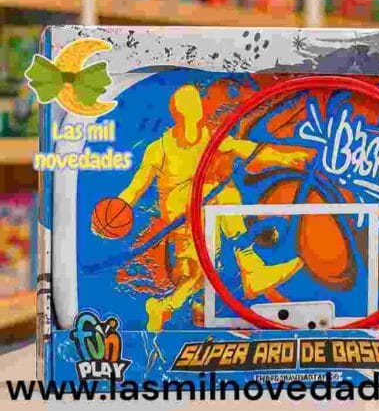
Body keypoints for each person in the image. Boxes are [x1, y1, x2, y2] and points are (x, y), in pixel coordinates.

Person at [95, 84, 309, 331]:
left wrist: (283, 157)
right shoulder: (159, 149)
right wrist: (116, 210)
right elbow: (136, 187)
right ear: (177, 113)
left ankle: (165, 306)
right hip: (179, 211)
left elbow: (245, 150)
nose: (193, 111)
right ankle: (250, 267)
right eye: (187, 107)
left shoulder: (209, 137)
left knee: (199, 275)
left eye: (195, 105)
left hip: (205, 209)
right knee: (221, 194)